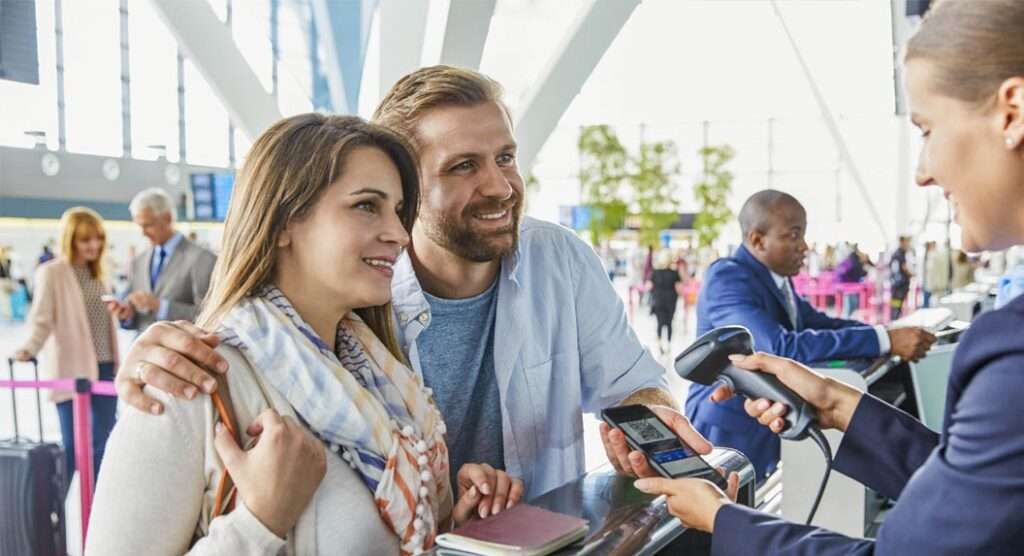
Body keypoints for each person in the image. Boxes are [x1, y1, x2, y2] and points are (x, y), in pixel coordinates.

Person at [110, 66, 686, 501]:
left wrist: (648, 423)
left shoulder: (559, 259)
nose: (501, 186)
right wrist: (151, 354)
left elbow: (633, 384)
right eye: (464, 166)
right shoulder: (353, 294)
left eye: (505, 157)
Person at [635, 2, 1024, 552]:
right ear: (756, 241)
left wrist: (727, 523)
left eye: (927, 129)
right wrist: (838, 404)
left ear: (1012, 112)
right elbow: (980, 491)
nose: (922, 171)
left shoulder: (1011, 352)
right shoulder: (733, 277)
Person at [87, 115, 520, 555]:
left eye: (398, 210)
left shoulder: (384, 380)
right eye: (367, 205)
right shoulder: (189, 380)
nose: (399, 234)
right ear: (281, 224)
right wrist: (258, 521)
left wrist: (449, 527)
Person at [684, 190, 935, 480]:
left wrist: (887, 333)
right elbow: (777, 346)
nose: (804, 246)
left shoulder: (775, 280)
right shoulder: (728, 277)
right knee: (722, 510)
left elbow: (818, 323)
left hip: (766, 417)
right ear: (757, 240)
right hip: (727, 425)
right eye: (793, 235)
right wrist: (886, 341)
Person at [13, 207, 120, 486]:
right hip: (72, 369)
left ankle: (97, 509)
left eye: (98, 238)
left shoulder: (99, 272)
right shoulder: (52, 273)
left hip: (106, 365)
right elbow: (42, 319)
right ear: (70, 240)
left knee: (103, 445)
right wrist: (30, 348)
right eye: (85, 240)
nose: (93, 246)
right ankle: (55, 509)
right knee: (72, 447)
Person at [105, 187, 216, 331]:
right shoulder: (139, 261)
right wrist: (127, 314)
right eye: (140, 226)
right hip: (145, 350)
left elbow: (210, 315)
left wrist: (160, 306)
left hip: (181, 350)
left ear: (168, 218)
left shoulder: (201, 258)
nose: (143, 233)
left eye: (148, 225)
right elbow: (138, 317)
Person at [649, 250, 681, 355]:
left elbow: (650, 286)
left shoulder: (655, 272)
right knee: (669, 323)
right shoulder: (674, 273)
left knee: (659, 323)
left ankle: (659, 345)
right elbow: (678, 288)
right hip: (671, 300)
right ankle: (668, 345)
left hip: (658, 300)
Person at [835, 243, 868, 317]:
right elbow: (855, 271)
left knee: (851, 305)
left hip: (848, 287)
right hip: (849, 287)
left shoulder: (850, 259)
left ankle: (847, 320)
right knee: (850, 306)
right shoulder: (854, 260)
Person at [888, 235, 914, 319]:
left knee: (897, 306)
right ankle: (894, 321)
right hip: (899, 286)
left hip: (899, 286)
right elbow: (903, 268)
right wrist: (911, 274)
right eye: (907, 242)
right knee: (896, 306)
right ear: (902, 242)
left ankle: (895, 319)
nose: (908, 244)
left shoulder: (900, 253)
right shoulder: (899, 254)